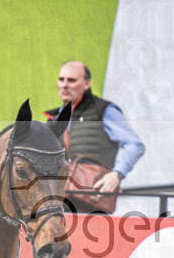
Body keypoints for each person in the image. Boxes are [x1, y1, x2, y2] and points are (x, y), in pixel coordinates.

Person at [43, 61, 145, 214]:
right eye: (61, 79)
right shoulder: (53, 119)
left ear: (86, 84)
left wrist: (117, 175)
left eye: (71, 80)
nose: (64, 85)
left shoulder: (104, 110)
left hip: (91, 203)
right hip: (57, 203)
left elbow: (135, 145)